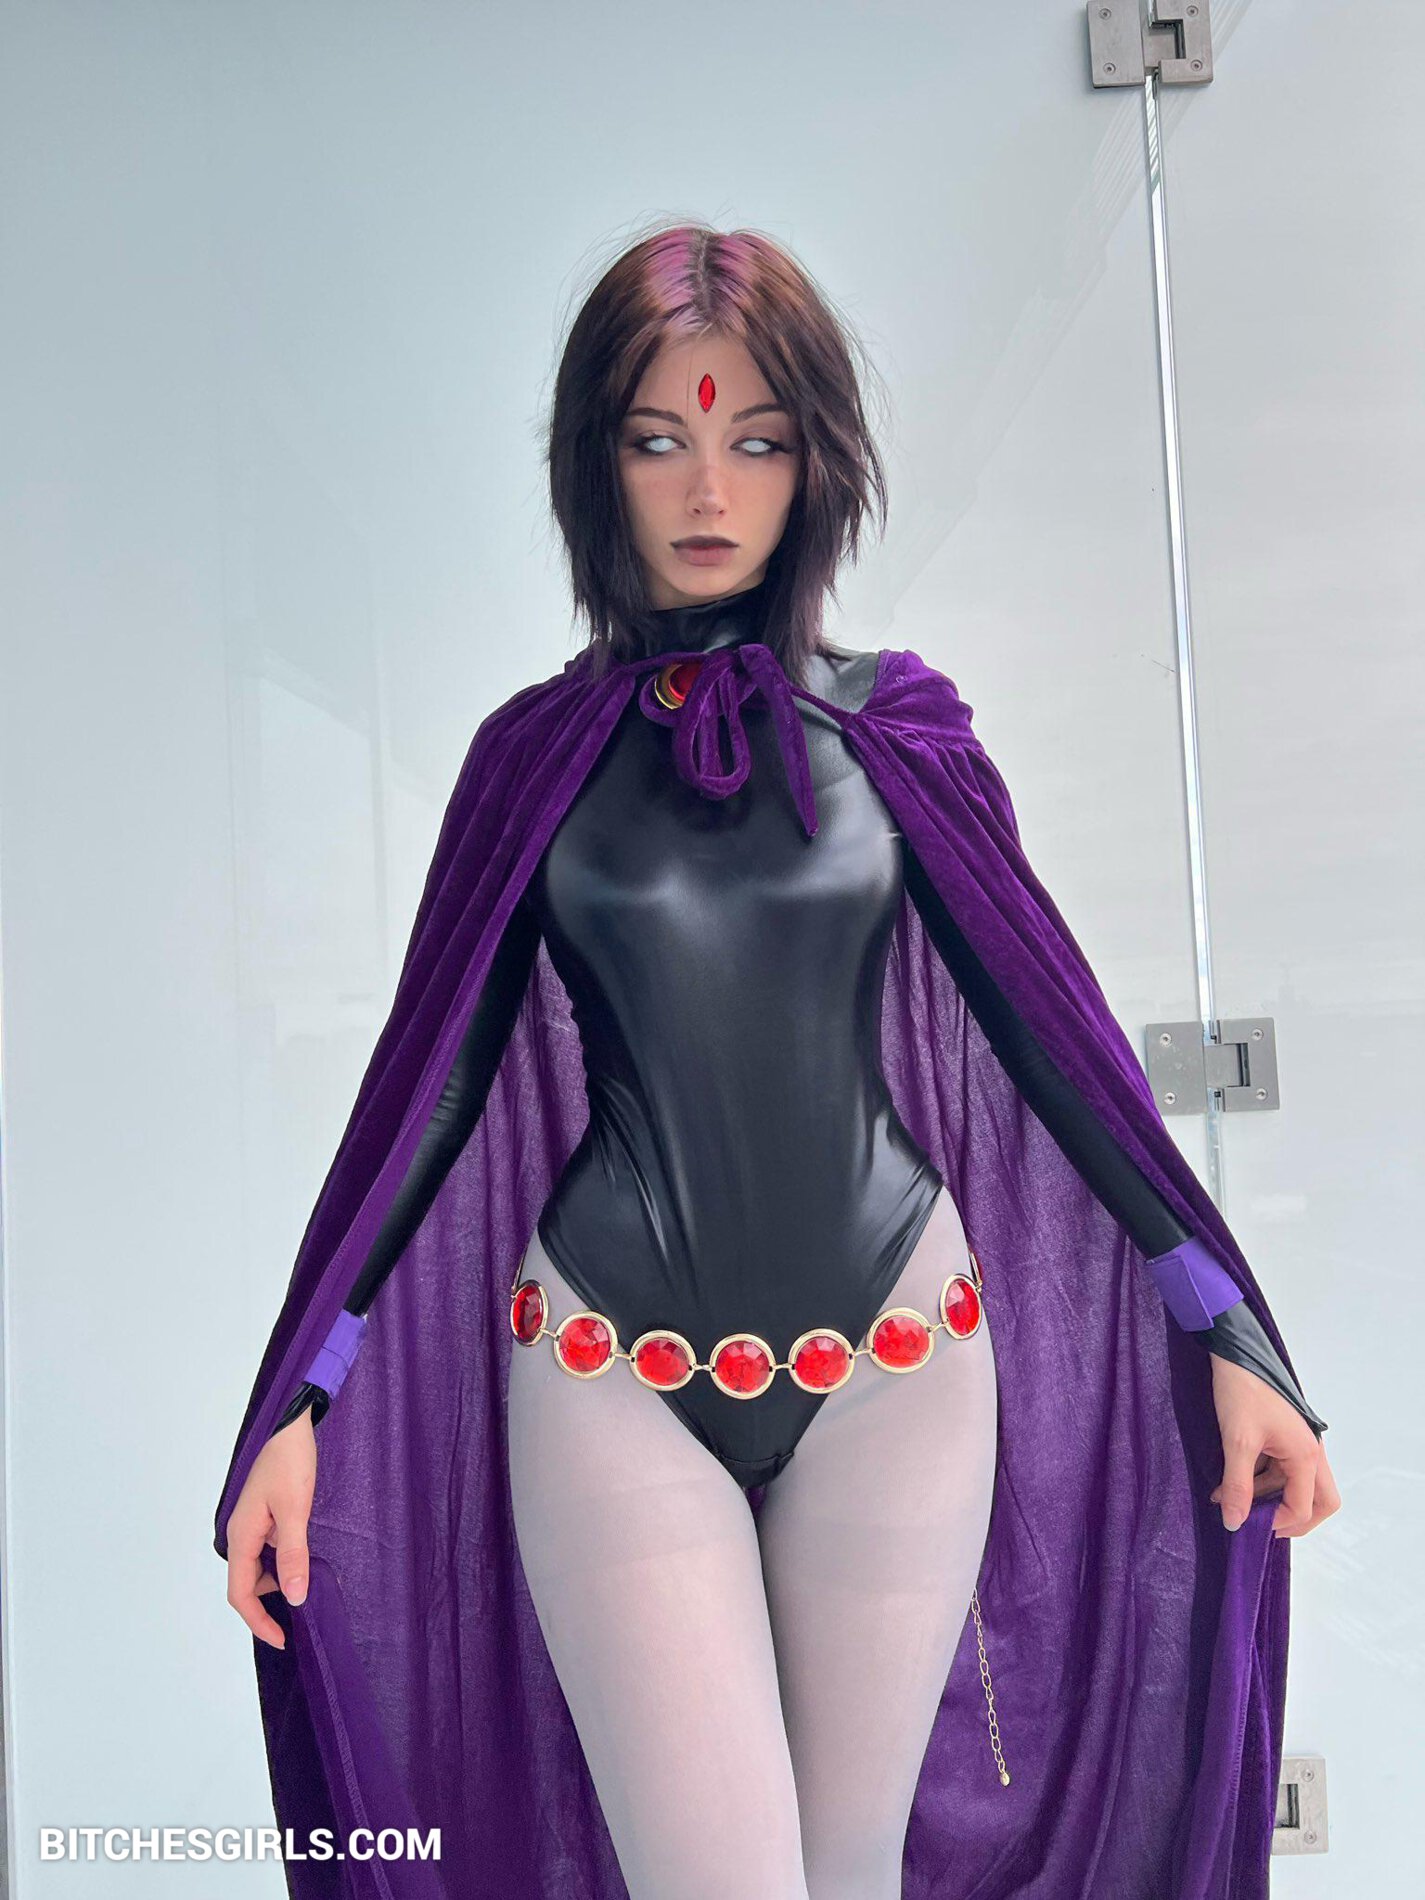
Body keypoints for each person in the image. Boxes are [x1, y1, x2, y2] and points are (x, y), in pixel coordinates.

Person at [217, 224, 1339, 1900]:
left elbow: (1049, 1036)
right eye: (655, 439)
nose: (706, 489)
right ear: (594, 465)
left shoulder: (900, 729)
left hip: (901, 1362)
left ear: (817, 461)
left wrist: (1224, 1325)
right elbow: (432, 1087)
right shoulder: (530, 759)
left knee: (849, 1873)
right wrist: (303, 1393)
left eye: (755, 440)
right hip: (605, 1369)